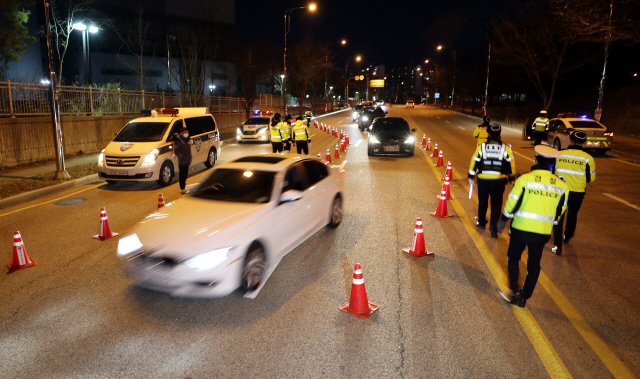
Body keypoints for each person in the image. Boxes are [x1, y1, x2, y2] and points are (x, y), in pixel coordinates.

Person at [497, 145, 568, 307]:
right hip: (542, 232)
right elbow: (560, 211)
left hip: (520, 229)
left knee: (513, 258)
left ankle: (514, 291)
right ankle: (524, 297)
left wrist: (503, 219)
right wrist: (552, 223)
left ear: (536, 160)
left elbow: (512, 202)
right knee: (534, 265)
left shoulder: (525, 179)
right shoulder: (562, 186)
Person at [551, 130, 596, 255]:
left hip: (560, 190)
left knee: (558, 217)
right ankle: (567, 236)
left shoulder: (559, 154)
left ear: (570, 140)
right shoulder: (588, 158)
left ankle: (557, 246)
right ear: (584, 142)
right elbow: (591, 178)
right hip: (577, 192)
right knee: (572, 214)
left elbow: (551, 172)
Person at [468, 123, 516, 238]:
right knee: (496, 204)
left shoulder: (482, 147)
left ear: (488, 134)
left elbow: (474, 162)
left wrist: (471, 176)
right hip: (499, 181)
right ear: (499, 134)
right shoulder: (506, 148)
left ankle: (482, 222)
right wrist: (511, 177)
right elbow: (511, 165)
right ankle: (494, 228)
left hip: (483, 180)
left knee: (483, 202)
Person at [173, 126, 193, 194]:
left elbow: (189, 150)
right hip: (182, 161)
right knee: (182, 174)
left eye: (187, 131)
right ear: (181, 133)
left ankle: (184, 186)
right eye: (185, 132)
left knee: (185, 174)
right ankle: (182, 188)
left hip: (187, 160)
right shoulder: (178, 141)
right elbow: (176, 151)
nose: (186, 133)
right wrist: (182, 157)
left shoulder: (187, 139)